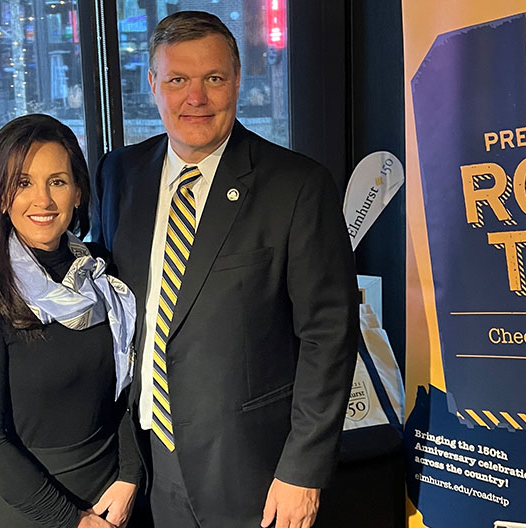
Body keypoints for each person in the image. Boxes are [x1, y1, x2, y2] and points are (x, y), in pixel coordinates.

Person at [90, 11, 358, 528]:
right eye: (177, 80)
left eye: (213, 78)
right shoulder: (119, 173)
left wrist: (303, 469)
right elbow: (112, 313)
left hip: (253, 470)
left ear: (237, 81)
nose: (196, 98)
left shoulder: (297, 186)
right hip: (145, 460)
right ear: (153, 85)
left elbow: (328, 336)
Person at [0, 114, 142, 528]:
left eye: (57, 181)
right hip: (30, 507)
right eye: (23, 183)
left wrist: (130, 475)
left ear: (78, 193)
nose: (43, 200)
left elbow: (129, 389)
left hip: (114, 496)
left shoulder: (103, 274)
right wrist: (73, 520)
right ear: (1, 197)